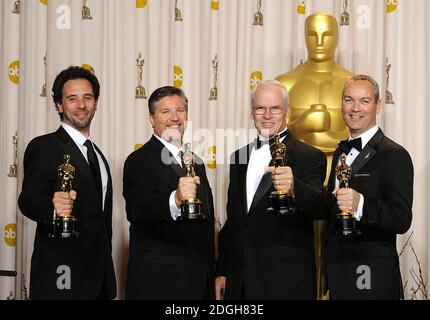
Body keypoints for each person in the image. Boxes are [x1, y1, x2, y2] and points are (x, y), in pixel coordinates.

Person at [215, 80, 327, 300]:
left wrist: (295, 187)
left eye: (275, 108)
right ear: (251, 113)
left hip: (286, 281)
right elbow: (236, 220)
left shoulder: (309, 156)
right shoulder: (238, 157)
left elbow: (321, 207)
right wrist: (223, 270)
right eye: (260, 108)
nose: (267, 115)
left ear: (287, 112)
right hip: (241, 282)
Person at [18, 66, 117, 299]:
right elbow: (28, 199)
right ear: (59, 105)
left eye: (87, 98)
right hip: (62, 278)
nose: (81, 105)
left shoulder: (98, 155)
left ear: (96, 102)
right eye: (72, 99)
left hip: (99, 281)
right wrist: (53, 209)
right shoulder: (45, 146)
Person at [276, 12, 353, 298]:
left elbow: (361, 134)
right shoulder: (286, 82)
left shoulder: (350, 84)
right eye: (313, 34)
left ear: (338, 36)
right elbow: (273, 136)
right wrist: (302, 124)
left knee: (338, 239)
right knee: (297, 240)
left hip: (340, 171)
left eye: (327, 34)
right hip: (298, 173)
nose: (319, 41)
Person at [324, 75, 413, 299]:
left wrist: (360, 204)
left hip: (372, 278)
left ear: (378, 106)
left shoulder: (394, 155)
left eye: (364, 101)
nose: (355, 108)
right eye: (348, 100)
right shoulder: (340, 152)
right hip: (338, 273)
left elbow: (401, 219)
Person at [123, 86, 215, 299]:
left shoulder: (196, 162)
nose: (175, 118)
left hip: (201, 282)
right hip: (160, 283)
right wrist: (175, 199)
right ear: (152, 119)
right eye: (165, 112)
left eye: (180, 110)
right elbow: (137, 209)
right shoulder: (139, 160)